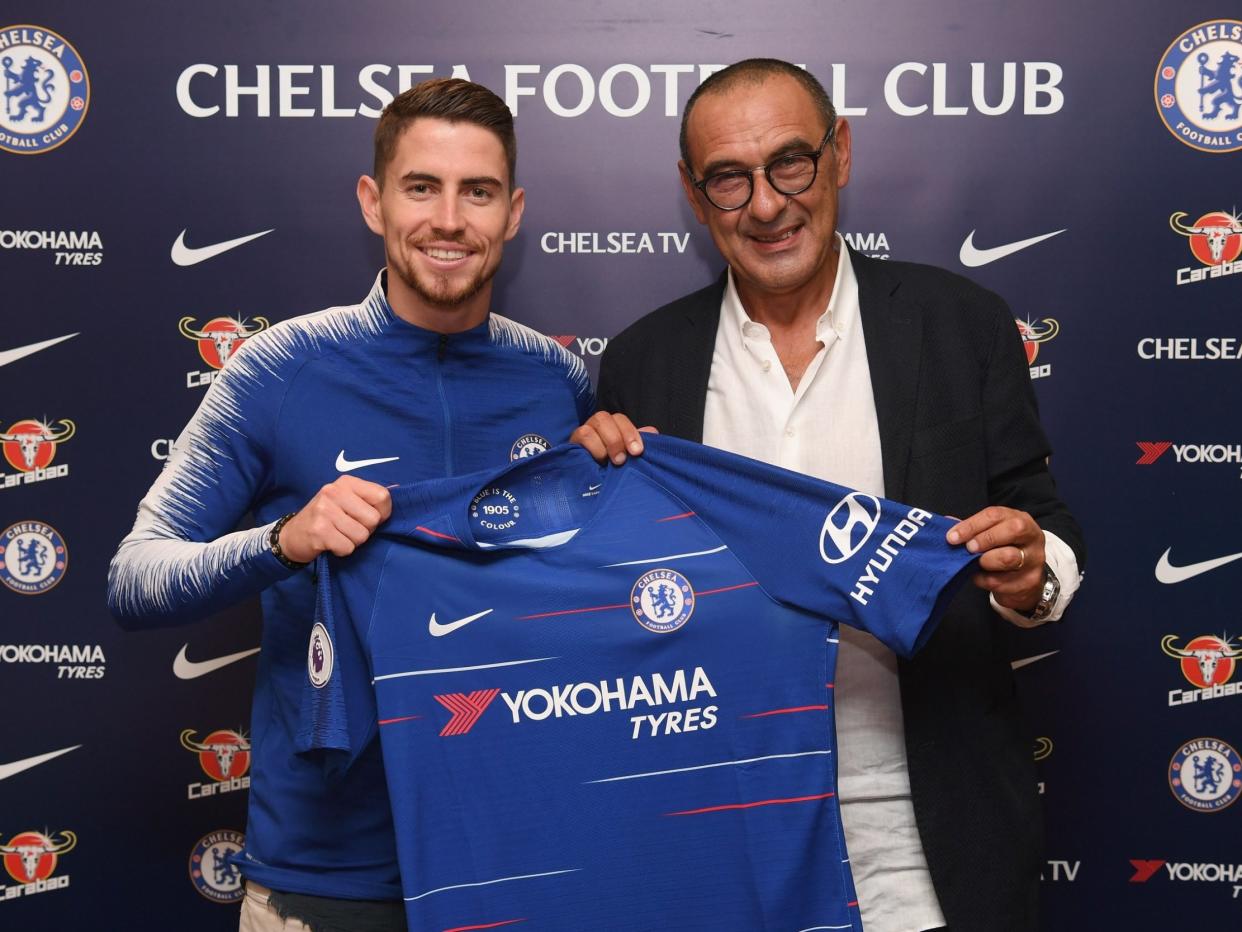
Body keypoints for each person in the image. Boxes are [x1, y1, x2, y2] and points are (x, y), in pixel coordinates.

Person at [574, 59, 1084, 932]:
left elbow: (1044, 524)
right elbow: (611, 612)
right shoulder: (641, 363)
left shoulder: (960, 324)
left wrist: (1033, 571)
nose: (766, 204)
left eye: (790, 163)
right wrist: (588, 506)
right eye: (730, 180)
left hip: (927, 844)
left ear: (839, 152)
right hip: (718, 841)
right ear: (695, 197)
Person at [108, 78, 593, 932]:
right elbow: (134, 578)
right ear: (373, 201)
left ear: (512, 213)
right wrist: (282, 542)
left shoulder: (557, 382)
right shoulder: (280, 365)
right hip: (325, 879)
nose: (449, 219)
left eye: (476, 191)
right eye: (421, 187)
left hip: (519, 863)